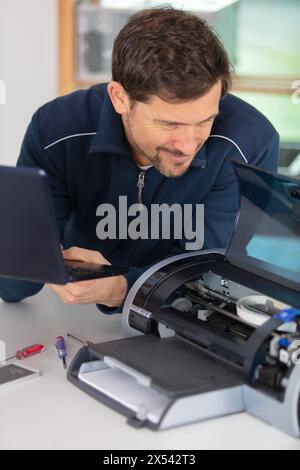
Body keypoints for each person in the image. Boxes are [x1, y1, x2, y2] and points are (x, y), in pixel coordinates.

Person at [0, 7, 279, 314]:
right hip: (69, 316)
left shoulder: (250, 143)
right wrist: (41, 257)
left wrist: (123, 288)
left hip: (186, 326)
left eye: (205, 120)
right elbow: (14, 287)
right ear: (120, 98)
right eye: (169, 124)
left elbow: (211, 278)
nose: (188, 145)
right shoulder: (55, 130)